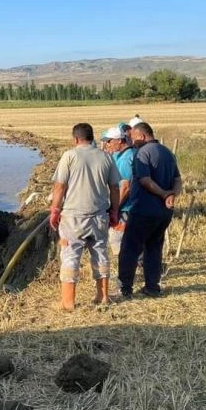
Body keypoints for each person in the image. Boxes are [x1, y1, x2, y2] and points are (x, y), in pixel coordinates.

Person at [50, 123, 120, 308]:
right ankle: (103, 297)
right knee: (100, 254)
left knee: (71, 255)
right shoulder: (106, 157)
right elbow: (114, 187)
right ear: (92, 138)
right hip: (99, 216)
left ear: (75, 139)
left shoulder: (69, 156)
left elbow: (59, 186)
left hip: (73, 218)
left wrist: (55, 210)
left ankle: (68, 302)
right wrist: (114, 211)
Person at [117, 122, 182, 299]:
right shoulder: (167, 152)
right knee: (154, 248)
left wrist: (163, 194)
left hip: (144, 210)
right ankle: (152, 287)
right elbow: (178, 179)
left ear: (142, 136)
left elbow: (145, 180)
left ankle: (125, 288)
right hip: (164, 213)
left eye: (133, 138)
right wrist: (171, 196)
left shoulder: (142, 153)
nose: (131, 141)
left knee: (129, 248)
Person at [101, 127, 135, 257]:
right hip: (132, 206)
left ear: (120, 140)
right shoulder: (127, 154)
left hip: (126, 207)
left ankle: (129, 270)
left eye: (109, 141)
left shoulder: (126, 159)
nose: (107, 144)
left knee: (117, 238)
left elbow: (125, 187)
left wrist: (114, 208)